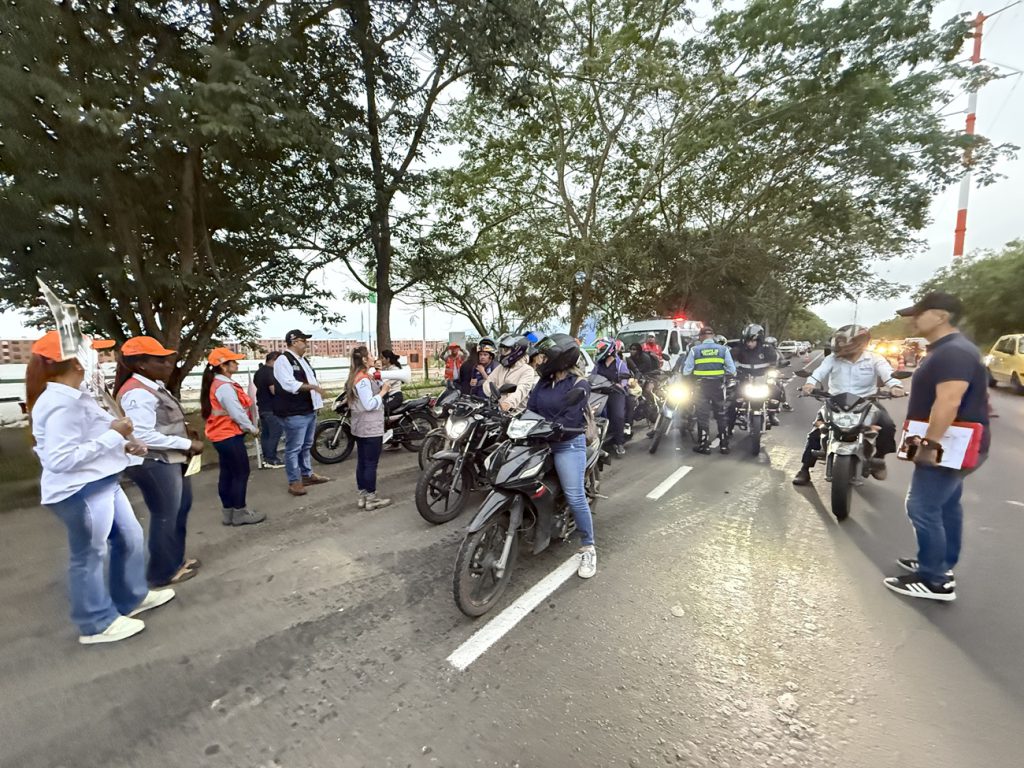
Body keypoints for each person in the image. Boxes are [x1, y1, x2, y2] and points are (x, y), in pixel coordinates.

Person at [28, 331, 174, 644]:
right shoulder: (60, 404)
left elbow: (91, 437)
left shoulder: (77, 395)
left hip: (103, 480)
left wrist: (123, 444)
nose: (101, 357)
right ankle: (95, 623)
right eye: (94, 352)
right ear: (75, 361)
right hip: (80, 489)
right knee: (89, 555)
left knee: (130, 538)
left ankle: (131, 596)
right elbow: (60, 459)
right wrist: (114, 436)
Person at [883, 293, 990, 602]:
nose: (913, 320)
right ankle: (941, 563)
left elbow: (949, 401)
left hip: (950, 445)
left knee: (921, 506)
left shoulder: (952, 352)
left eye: (919, 313)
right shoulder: (949, 349)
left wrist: (930, 444)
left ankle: (935, 580)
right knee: (945, 505)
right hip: (957, 444)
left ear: (942, 316)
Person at [115, 336, 204, 587]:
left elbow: (161, 422)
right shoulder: (137, 392)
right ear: (141, 364)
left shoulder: (152, 385)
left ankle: (176, 560)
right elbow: (142, 435)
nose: (168, 365)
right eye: (160, 360)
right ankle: (162, 572)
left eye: (167, 359)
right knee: (165, 515)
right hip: (153, 462)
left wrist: (183, 429)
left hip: (169, 458)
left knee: (180, 508)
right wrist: (186, 444)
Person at [792, 325, 905, 486]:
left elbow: (887, 374)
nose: (840, 345)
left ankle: (879, 459)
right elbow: (819, 373)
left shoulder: (874, 359)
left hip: (867, 402)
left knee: (887, 426)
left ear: (860, 343)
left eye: (844, 342)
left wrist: (895, 386)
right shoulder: (832, 359)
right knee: (817, 431)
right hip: (835, 402)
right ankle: (804, 469)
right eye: (839, 341)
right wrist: (809, 384)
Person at [527, 334, 597, 579]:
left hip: (567, 445)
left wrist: (552, 429)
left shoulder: (579, 384)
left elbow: (570, 418)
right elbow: (531, 409)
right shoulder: (543, 383)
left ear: (560, 359)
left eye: (544, 357)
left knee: (575, 496)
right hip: (540, 443)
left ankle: (588, 547)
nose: (540, 362)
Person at [201, 348, 266, 526]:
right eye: (234, 361)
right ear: (223, 366)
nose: (237, 364)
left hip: (221, 436)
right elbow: (236, 413)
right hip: (228, 434)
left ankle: (228, 513)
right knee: (240, 473)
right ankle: (239, 513)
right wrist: (252, 429)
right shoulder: (224, 387)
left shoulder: (217, 383)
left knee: (228, 474)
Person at [273, 330, 331, 496]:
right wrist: (313, 388)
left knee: (306, 445)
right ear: (294, 342)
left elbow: (311, 380)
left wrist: (316, 402)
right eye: (303, 341)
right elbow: (289, 384)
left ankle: (306, 474)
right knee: (294, 448)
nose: (306, 344)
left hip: (308, 410)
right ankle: (294, 481)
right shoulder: (283, 360)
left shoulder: (303, 360)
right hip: (294, 412)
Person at [346, 347, 393, 510]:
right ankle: (371, 499)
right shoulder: (363, 380)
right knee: (371, 463)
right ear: (365, 360)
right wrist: (383, 392)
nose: (374, 357)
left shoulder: (358, 376)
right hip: (370, 427)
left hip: (360, 427)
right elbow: (369, 404)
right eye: (371, 355)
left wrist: (377, 377)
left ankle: (363, 496)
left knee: (362, 462)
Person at [681, 326, 737, 454]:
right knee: (721, 415)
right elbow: (732, 370)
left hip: (701, 387)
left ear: (700, 337)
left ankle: (703, 445)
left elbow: (686, 371)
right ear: (713, 336)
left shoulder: (695, 350)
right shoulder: (723, 349)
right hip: (718, 386)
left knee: (703, 415)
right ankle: (724, 445)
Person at [731, 324, 786, 426]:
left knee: (777, 392)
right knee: (734, 397)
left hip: (763, 379)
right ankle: (730, 424)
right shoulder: (738, 349)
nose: (749, 344)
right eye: (747, 341)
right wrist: (732, 372)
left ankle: (772, 414)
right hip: (746, 379)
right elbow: (729, 361)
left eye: (752, 341)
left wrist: (776, 369)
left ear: (759, 340)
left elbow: (776, 361)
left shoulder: (768, 349)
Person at [473, 334, 538, 411]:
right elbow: (488, 382)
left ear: (517, 351)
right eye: (501, 350)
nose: (502, 353)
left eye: (506, 350)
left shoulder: (527, 370)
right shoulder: (501, 367)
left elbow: (521, 390)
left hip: (514, 412)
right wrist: (495, 394)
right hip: (496, 409)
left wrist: (508, 403)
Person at [591, 337, 630, 456]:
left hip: (616, 392)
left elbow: (626, 377)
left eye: (602, 349)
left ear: (610, 350)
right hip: (600, 393)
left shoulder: (620, 364)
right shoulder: (598, 365)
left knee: (618, 416)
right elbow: (592, 377)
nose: (599, 351)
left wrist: (621, 384)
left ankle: (619, 443)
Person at [253, 351, 284, 469]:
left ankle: (266, 458)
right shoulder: (271, 372)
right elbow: (274, 390)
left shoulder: (259, 372)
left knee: (266, 434)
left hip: (262, 406)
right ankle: (271, 458)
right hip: (272, 408)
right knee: (275, 433)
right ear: (274, 360)